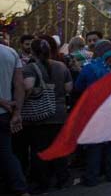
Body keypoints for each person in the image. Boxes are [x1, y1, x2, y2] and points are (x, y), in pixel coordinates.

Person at [22, 39, 72, 194]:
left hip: (40, 114)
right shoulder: (61, 66)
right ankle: (62, 179)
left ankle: (42, 182)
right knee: (58, 147)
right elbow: (69, 88)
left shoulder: (30, 68)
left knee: (39, 149)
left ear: (32, 52)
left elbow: (28, 86)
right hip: (60, 113)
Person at [75, 40, 111, 187]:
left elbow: (78, 87)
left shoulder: (89, 68)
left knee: (95, 144)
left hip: (94, 111)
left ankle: (92, 177)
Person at [0, 41, 29, 196]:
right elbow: (19, 85)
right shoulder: (10, 53)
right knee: (6, 153)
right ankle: (20, 188)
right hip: (6, 113)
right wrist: (17, 112)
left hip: (5, 108)